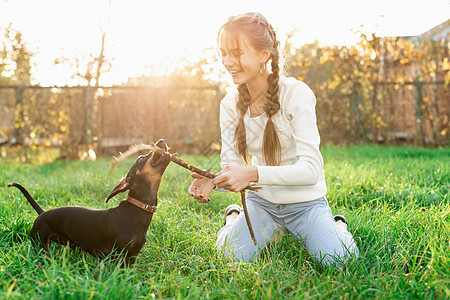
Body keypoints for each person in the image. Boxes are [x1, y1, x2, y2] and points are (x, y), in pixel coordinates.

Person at [188, 12, 358, 266]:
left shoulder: (296, 94)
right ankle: (234, 218)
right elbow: (233, 166)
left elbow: (311, 170)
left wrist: (254, 173)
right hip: (262, 204)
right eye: (223, 53)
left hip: (305, 204)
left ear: (264, 53)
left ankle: (337, 226)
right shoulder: (229, 104)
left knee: (339, 260)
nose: (227, 61)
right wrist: (214, 181)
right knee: (230, 257)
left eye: (236, 53)